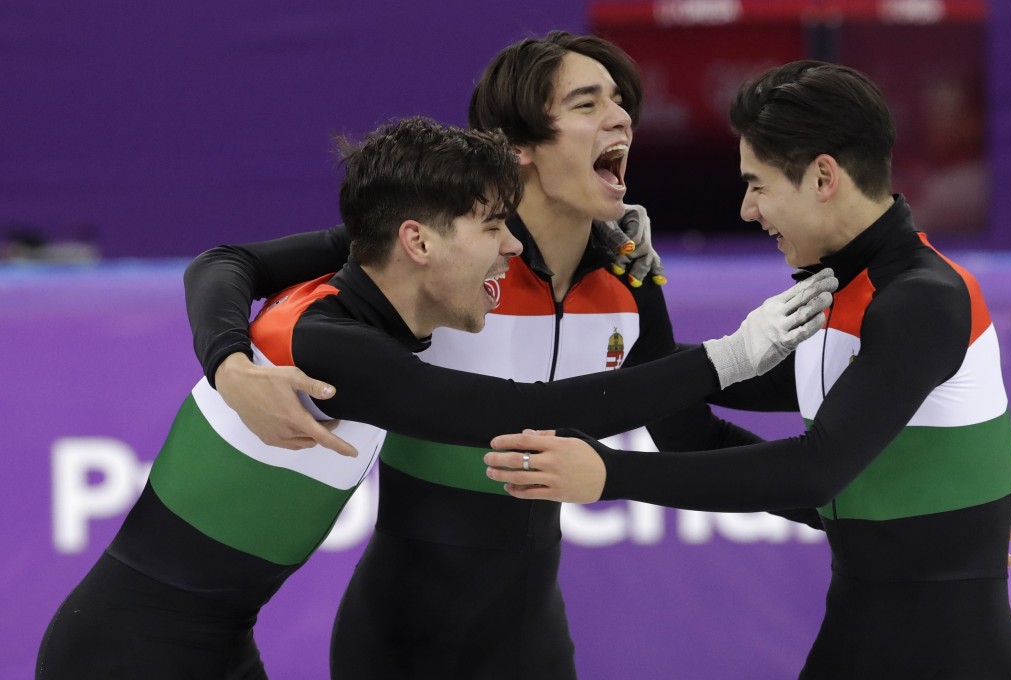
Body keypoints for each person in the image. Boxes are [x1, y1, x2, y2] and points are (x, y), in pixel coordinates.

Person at [36, 115, 833, 679]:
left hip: (213, 645)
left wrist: (599, 238)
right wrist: (726, 358)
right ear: (420, 242)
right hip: (126, 655)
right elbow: (514, 412)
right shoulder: (328, 346)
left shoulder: (367, 276)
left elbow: (223, 261)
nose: (512, 248)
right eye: (493, 227)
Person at [484, 60, 1011, 679]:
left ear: (823, 177)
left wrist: (611, 473)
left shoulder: (921, 299)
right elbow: (688, 391)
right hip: (857, 641)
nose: (745, 210)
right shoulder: (841, 293)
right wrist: (622, 301)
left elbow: (815, 471)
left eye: (757, 185)